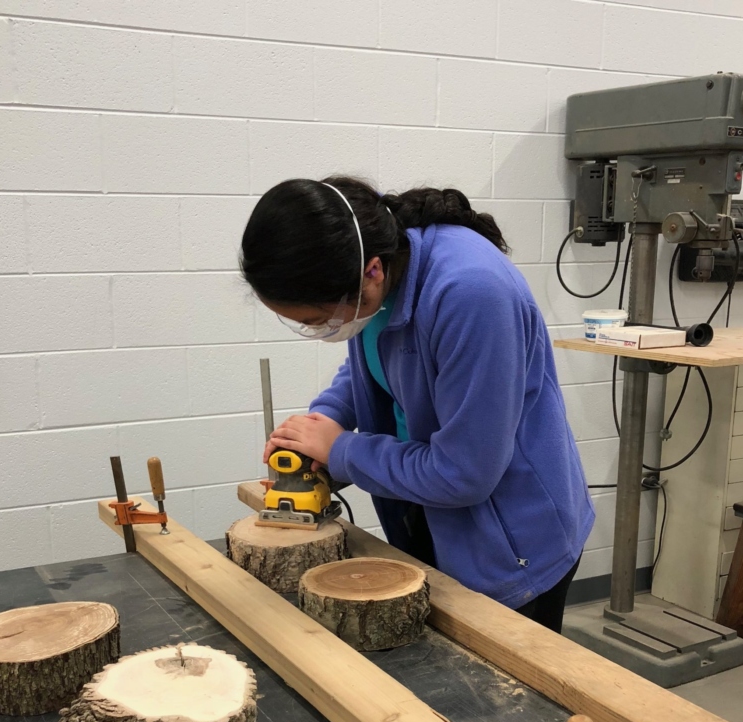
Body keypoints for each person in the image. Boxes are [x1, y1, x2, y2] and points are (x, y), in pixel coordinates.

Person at [239, 177, 594, 633]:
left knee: (502, 698)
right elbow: (375, 360)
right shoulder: (382, 273)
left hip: (510, 545)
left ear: (371, 272)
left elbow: (465, 473)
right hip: (435, 516)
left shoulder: (471, 293)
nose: (321, 330)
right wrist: (324, 418)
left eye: (318, 320)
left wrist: (341, 450)